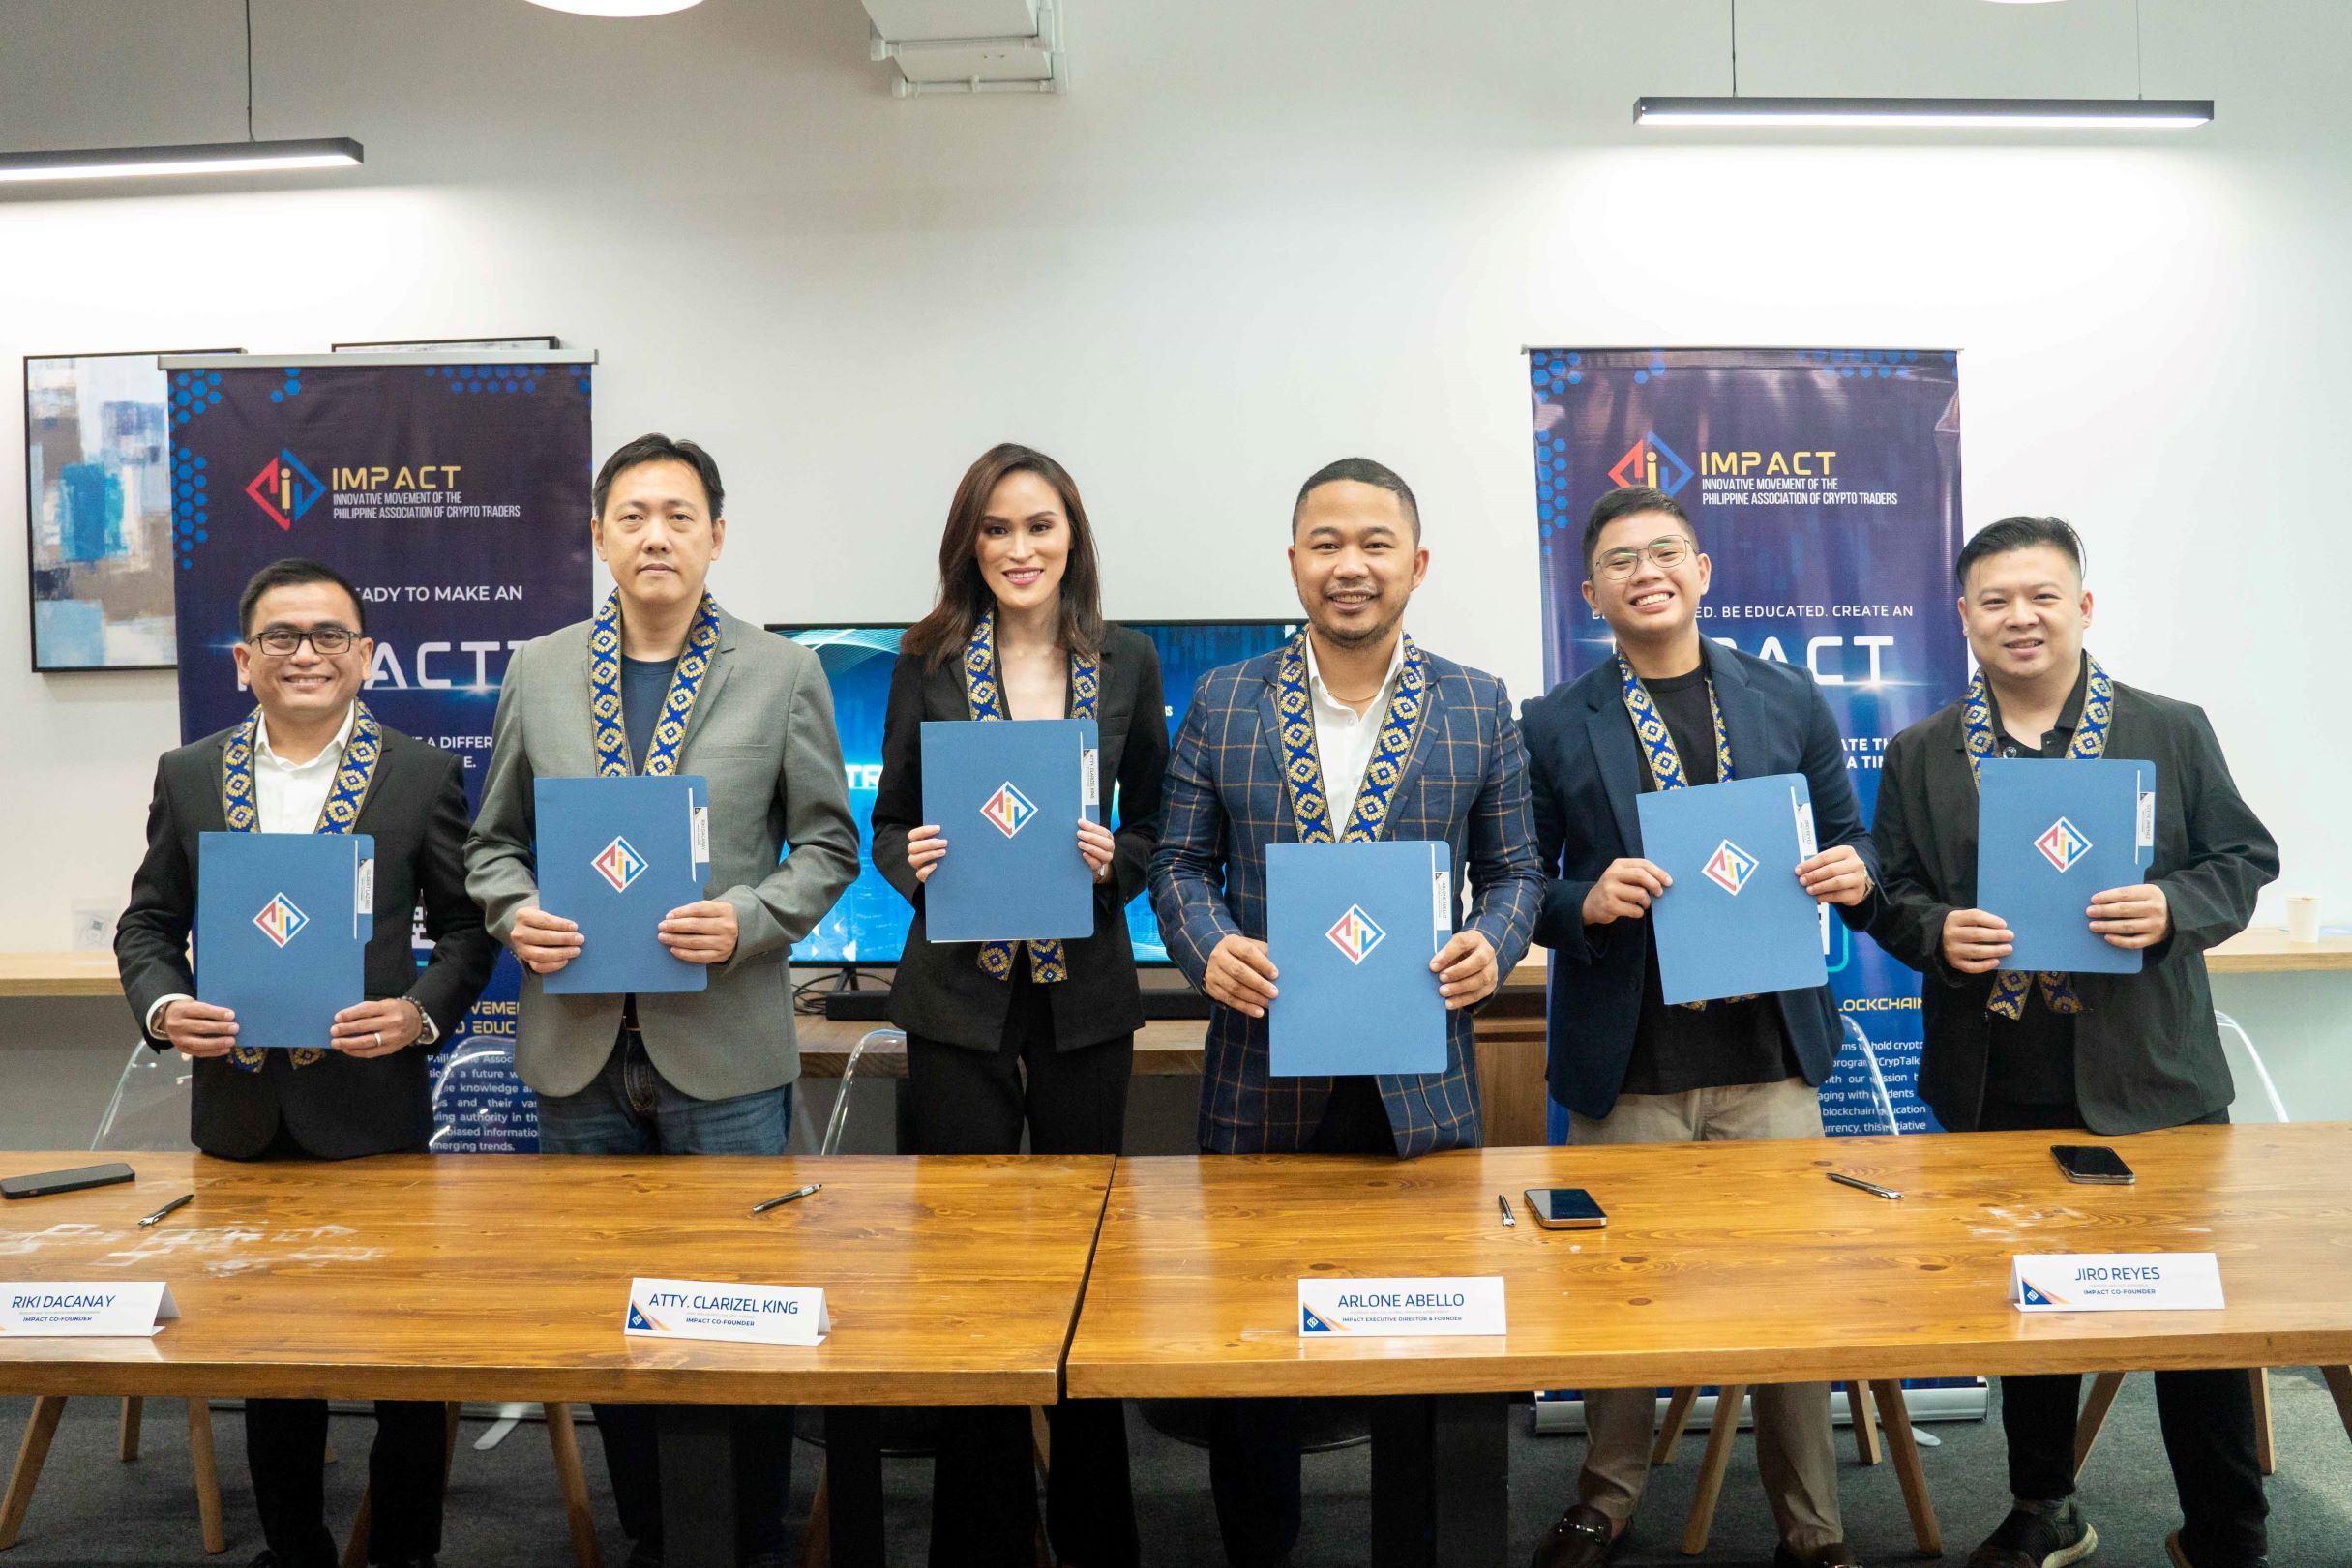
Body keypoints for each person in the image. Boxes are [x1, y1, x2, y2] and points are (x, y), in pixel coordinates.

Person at [465, 434, 860, 1568]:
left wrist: (750, 918)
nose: (655, 534)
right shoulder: (538, 668)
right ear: (597, 535)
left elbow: (827, 844)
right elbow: (492, 842)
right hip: (576, 1048)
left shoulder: (782, 671)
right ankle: (650, 1531)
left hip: (723, 1046)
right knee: (610, 1312)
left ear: (716, 536)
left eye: (679, 515)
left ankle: (750, 1534)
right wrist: (513, 910)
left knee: (748, 1305)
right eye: (631, 514)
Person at [1148, 457, 1542, 1568]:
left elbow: (1516, 870)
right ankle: (1257, 1548)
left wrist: (1494, 941)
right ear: (1292, 563)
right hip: (1257, 1074)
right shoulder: (1224, 699)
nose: (1350, 565)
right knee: (1253, 1351)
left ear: (1417, 564)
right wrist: (1209, 944)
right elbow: (1178, 864)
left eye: (1375, 544)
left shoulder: (1477, 702)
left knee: (1423, 1343)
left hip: (1420, 1079)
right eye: (1326, 543)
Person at [1865, 516, 2278, 1568]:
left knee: (2199, 1321)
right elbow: (1892, 892)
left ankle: (2228, 1526)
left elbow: (2242, 857)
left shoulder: (2167, 728)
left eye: (2041, 595)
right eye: (1994, 599)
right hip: (1998, 1075)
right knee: (2028, 1309)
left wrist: (2172, 906)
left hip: (2154, 1077)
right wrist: (1933, 932)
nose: (2019, 617)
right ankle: (2045, 1503)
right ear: (1962, 618)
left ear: (2082, 607)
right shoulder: (1921, 752)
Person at [1518, 487, 1875, 1568]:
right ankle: (1605, 1497)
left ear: (1703, 570)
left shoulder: (1788, 699)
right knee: (1619, 1295)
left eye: (1664, 551)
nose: (1646, 571)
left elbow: (1852, 848)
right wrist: (1581, 896)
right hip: (1629, 1064)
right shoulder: (1548, 723)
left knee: (1790, 1300)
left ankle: (1811, 1526)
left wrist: (1844, 873)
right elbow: (1516, 881)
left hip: (1768, 1060)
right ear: (1590, 593)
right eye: (1620, 560)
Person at [116, 557, 498, 1568]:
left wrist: (418, 1014)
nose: (307, 653)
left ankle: (405, 1548)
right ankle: (295, 1548)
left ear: (366, 656)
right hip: (242, 1117)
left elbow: (467, 933)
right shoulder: (191, 773)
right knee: (271, 1360)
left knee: (404, 1366)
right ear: (244, 660)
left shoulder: (420, 773)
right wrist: (162, 1003)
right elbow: (148, 923)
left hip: (374, 1112)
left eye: (330, 634)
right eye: (282, 636)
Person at [870, 442, 1162, 1568]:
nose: (1020, 548)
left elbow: (1157, 824)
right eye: (997, 529)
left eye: (1040, 526)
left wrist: (1113, 858)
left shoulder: (1125, 660)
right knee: (969, 1279)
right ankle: (979, 1538)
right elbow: (891, 821)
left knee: (1093, 1269)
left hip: (1084, 1001)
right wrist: (918, 858)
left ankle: (1096, 1535)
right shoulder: (927, 659)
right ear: (970, 545)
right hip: (957, 1005)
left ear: (1072, 538)